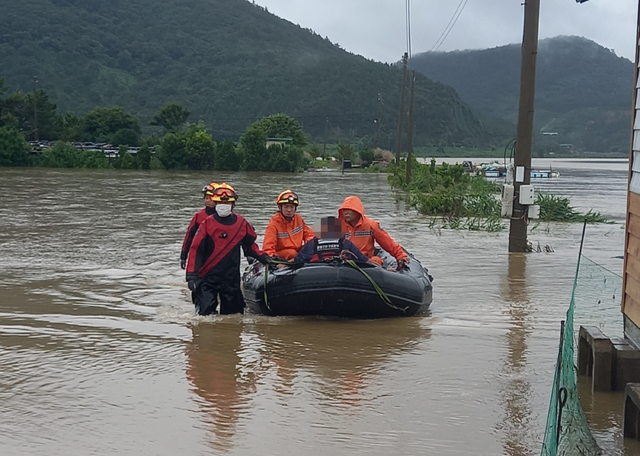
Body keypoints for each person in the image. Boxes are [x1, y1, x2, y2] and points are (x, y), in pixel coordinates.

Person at [185, 183, 271, 315]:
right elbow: (196, 250)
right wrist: (191, 276)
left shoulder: (242, 223)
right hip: (208, 278)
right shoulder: (207, 224)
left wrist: (265, 258)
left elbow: (250, 247)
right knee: (205, 316)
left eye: (227, 202)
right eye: (220, 202)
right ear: (216, 203)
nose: (223, 205)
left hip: (230, 279)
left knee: (234, 316)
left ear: (233, 204)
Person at [338, 195, 410, 269]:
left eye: (349, 209)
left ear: (357, 211)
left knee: (376, 261)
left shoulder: (371, 225)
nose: (345, 213)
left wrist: (400, 255)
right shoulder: (340, 227)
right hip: (346, 260)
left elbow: (387, 242)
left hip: (366, 260)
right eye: (344, 210)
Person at [294, 216, 376, 265]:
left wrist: (285, 265)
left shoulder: (312, 243)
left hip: (316, 274)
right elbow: (363, 259)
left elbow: (297, 260)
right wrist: (380, 268)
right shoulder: (345, 243)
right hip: (342, 272)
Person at [262, 189, 314, 261]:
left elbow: (309, 235)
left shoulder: (298, 219)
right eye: (286, 207)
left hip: (298, 254)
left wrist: (310, 247)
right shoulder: (273, 225)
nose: (289, 210)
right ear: (280, 208)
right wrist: (272, 260)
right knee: (291, 253)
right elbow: (268, 247)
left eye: (292, 207)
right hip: (283, 257)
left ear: (295, 208)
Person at [180, 182, 219, 270]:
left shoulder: (228, 217)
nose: (207, 201)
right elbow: (189, 236)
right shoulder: (198, 216)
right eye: (206, 198)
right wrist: (184, 255)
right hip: (202, 254)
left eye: (210, 198)